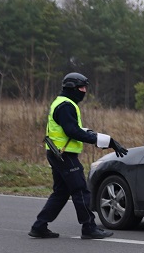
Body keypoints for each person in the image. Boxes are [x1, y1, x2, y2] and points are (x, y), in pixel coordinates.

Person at [29, 72, 128, 240]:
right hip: (64, 155)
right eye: (81, 88)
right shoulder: (66, 105)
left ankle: (39, 226)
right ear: (71, 88)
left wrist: (107, 140)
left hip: (57, 153)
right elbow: (73, 131)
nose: (84, 91)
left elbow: (75, 129)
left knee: (61, 192)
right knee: (81, 189)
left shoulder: (63, 103)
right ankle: (89, 227)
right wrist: (104, 141)